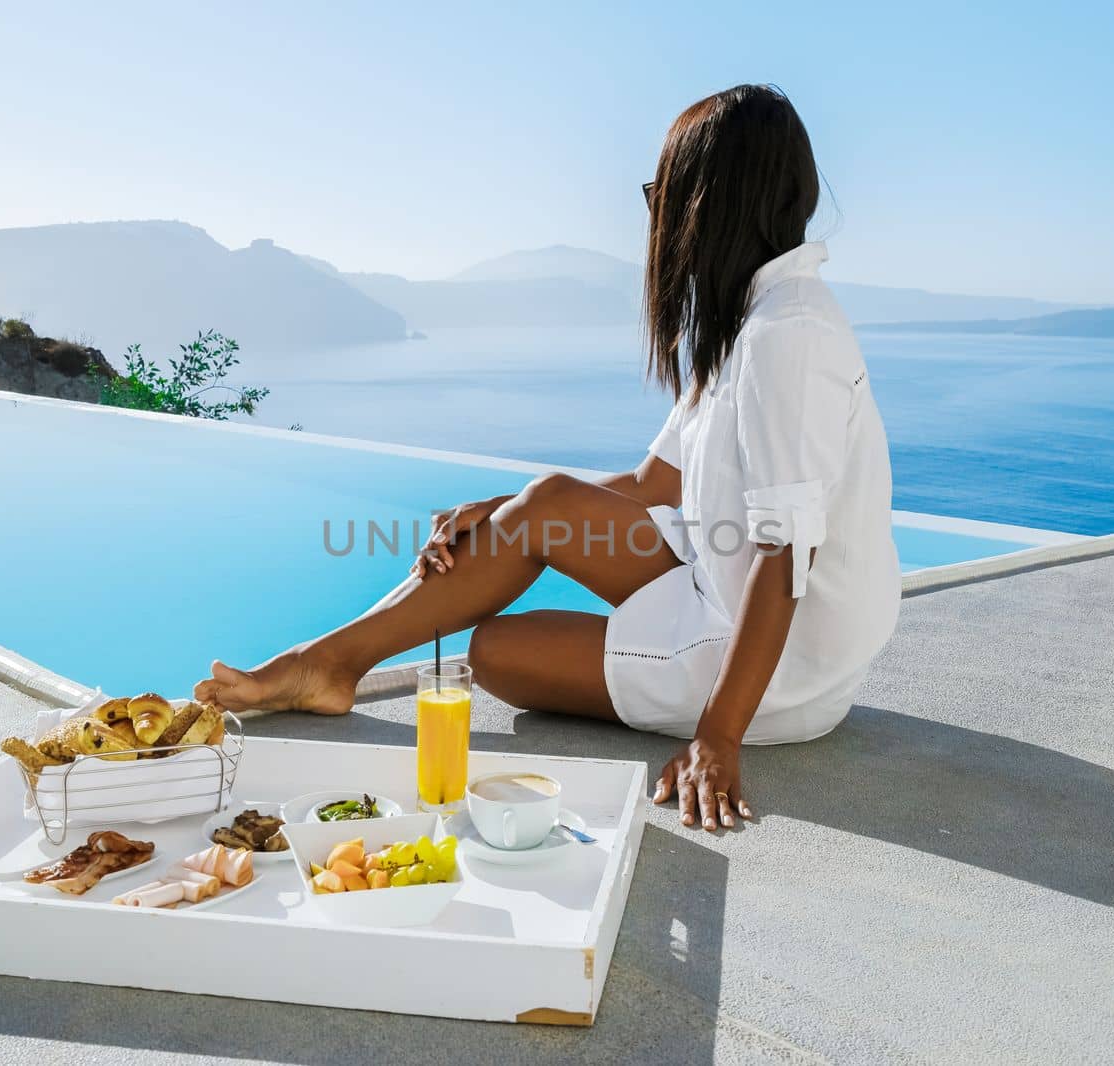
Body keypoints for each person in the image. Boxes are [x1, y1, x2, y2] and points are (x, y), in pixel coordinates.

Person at [195, 84, 900, 831]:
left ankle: (325, 666)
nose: (653, 209)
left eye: (661, 189)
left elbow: (787, 550)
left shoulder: (786, 336)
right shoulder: (752, 321)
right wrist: (504, 513)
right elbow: (655, 484)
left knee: (496, 652)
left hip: (780, 665)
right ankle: (326, 663)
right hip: (717, 584)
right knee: (546, 499)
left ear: (707, 201)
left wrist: (717, 737)